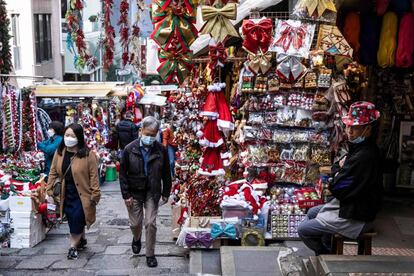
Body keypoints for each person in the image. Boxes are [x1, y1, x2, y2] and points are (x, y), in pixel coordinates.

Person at [298, 101, 383, 255]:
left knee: (303, 230)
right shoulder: (359, 148)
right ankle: (328, 249)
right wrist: (338, 174)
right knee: (311, 212)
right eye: (348, 126)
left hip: (357, 214)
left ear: (368, 129)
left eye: (354, 127)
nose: (349, 131)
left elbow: (337, 187)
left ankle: (327, 257)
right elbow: (337, 168)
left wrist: (337, 176)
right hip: (350, 205)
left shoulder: (364, 156)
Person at [120, 116, 171, 268]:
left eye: (153, 134)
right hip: (134, 191)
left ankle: (150, 254)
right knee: (135, 224)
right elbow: (122, 174)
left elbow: (166, 172)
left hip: (152, 191)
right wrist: (126, 195)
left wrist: (166, 192)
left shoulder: (161, 149)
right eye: (147, 133)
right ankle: (136, 238)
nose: (150, 137)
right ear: (141, 130)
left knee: (150, 223)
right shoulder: (130, 149)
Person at [47, 123, 101, 260]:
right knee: (72, 219)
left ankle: (72, 246)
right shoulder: (59, 153)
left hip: (82, 194)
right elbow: (53, 172)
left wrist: (95, 195)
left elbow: (94, 177)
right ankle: (81, 239)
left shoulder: (88, 155)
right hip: (66, 192)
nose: (69, 138)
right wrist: (49, 190)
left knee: (77, 217)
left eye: (72, 135)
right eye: (66, 135)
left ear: (79, 137)